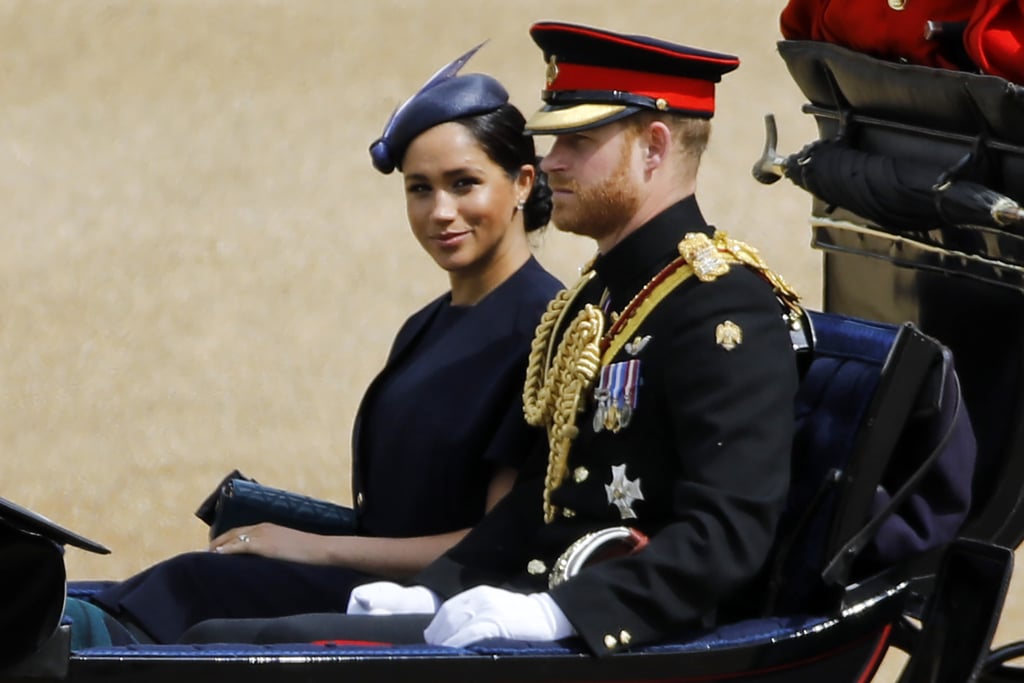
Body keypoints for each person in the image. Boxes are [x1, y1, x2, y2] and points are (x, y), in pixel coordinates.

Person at [182, 21, 803, 655]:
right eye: (553, 138)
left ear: (654, 147)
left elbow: (725, 535)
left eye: (579, 140)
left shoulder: (722, 307)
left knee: (231, 652)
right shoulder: (600, 298)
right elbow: (543, 493)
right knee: (217, 631)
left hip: (622, 641)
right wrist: (439, 586)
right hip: (531, 604)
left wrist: (561, 614)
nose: (550, 160)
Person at [70, 46, 563, 647]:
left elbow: (496, 544)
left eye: (465, 184)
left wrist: (315, 548)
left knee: (184, 594)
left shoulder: (543, 328)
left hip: (439, 609)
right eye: (419, 189)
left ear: (523, 183)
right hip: (370, 583)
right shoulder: (427, 324)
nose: (441, 212)